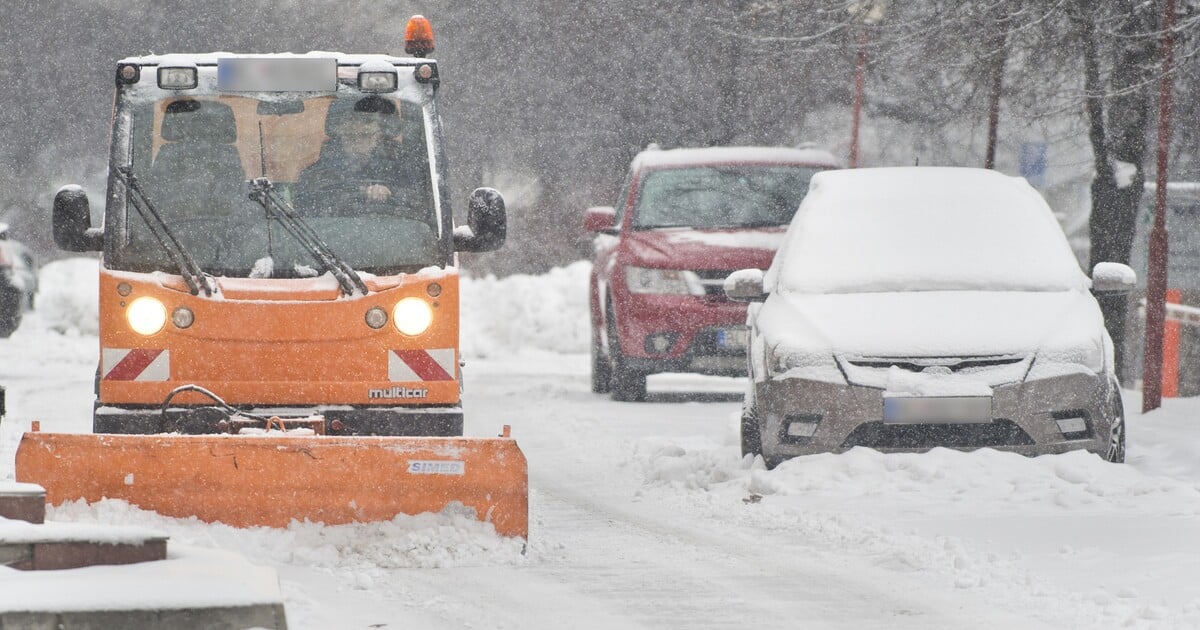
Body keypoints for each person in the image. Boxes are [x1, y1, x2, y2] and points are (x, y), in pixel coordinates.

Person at [296, 95, 428, 218]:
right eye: (350, 136)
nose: (357, 142)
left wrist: (391, 192)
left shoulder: (403, 169)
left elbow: (423, 204)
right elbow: (308, 208)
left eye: (365, 135)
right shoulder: (315, 174)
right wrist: (358, 192)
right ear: (338, 133)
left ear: (380, 135)